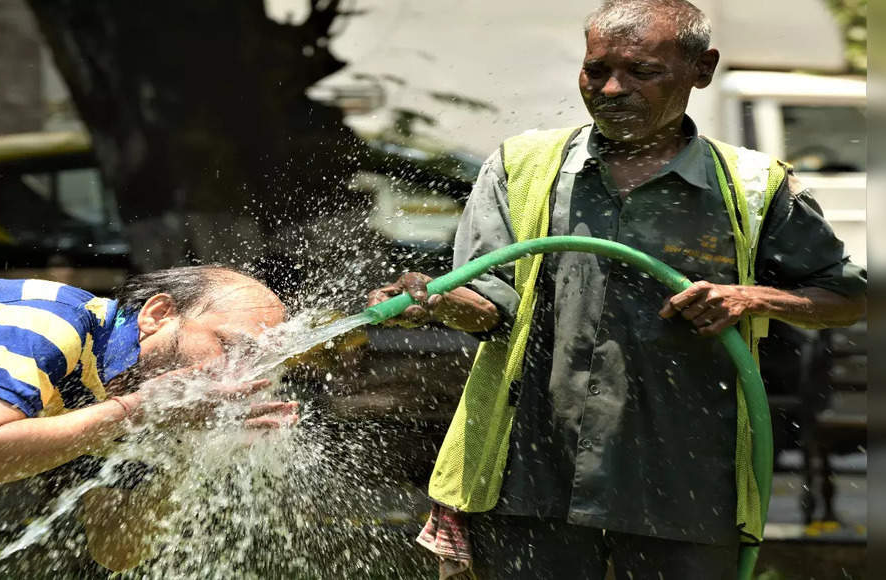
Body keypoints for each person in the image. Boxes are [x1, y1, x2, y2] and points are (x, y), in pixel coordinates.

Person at [368, 1, 867, 578]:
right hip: (531, 482)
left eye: (642, 72)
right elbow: (493, 307)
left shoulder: (757, 187)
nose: (611, 89)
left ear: (701, 69)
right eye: (595, 69)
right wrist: (437, 302)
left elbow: (847, 296)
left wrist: (750, 298)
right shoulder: (520, 166)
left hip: (685, 487)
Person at [0, 266, 298, 571]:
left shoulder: (134, 398)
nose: (235, 373)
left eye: (255, 363)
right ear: (158, 314)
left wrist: (190, 446)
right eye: (231, 347)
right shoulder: (49, 321)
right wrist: (135, 412)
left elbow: (117, 550)